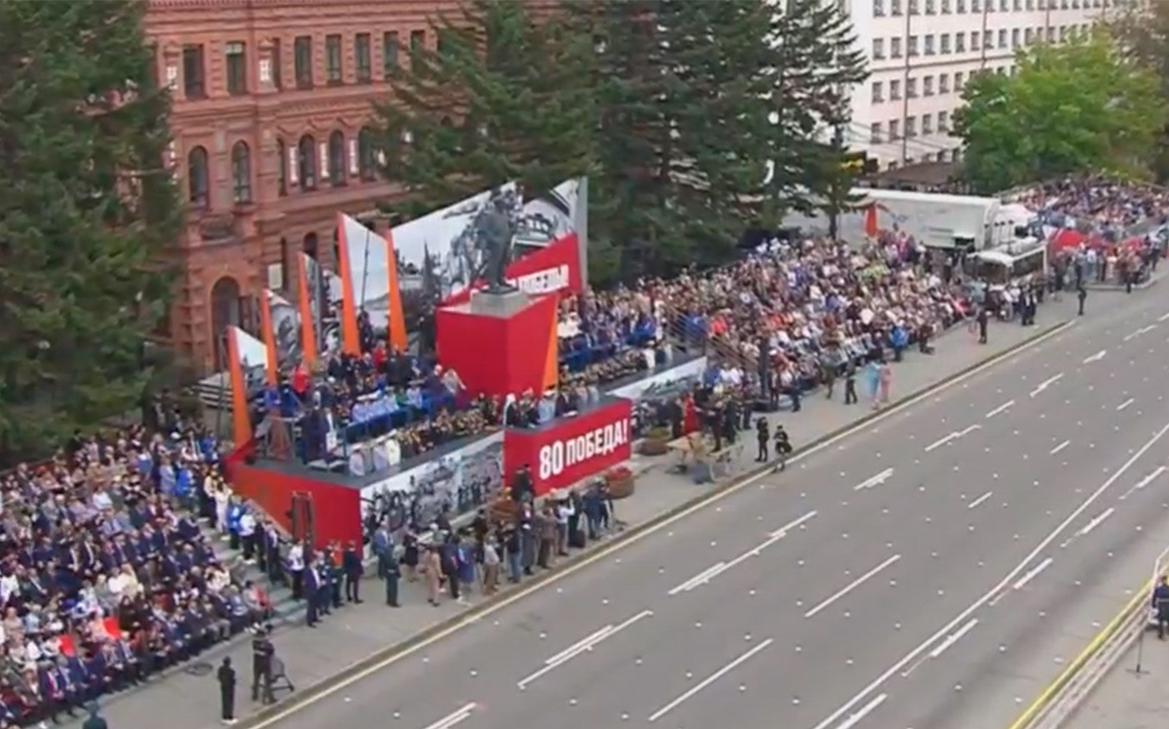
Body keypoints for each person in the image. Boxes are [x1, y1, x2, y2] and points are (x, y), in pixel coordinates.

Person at [251, 627, 275, 705]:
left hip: (257, 663)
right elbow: (271, 650)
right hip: (265, 663)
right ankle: (270, 697)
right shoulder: (266, 643)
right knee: (267, 681)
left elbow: (256, 650)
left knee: (256, 679)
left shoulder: (254, 642)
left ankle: (254, 695)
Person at [217, 657, 237, 725]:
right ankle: (229, 717)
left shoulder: (220, 669)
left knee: (224, 702)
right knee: (230, 703)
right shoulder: (231, 671)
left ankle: (224, 717)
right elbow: (233, 680)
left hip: (223, 687)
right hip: (230, 688)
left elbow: (219, 677)